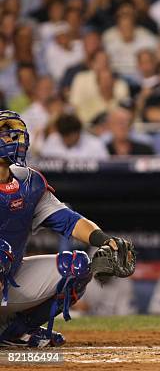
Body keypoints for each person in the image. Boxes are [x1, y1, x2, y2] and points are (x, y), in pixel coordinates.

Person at [0, 110, 134, 346]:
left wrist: (104, 240)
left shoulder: (29, 183)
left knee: (77, 266)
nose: (13, 140)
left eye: (13, 135)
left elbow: (69, 220)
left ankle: (13, 332)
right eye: (5, 135)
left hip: (11, 279)